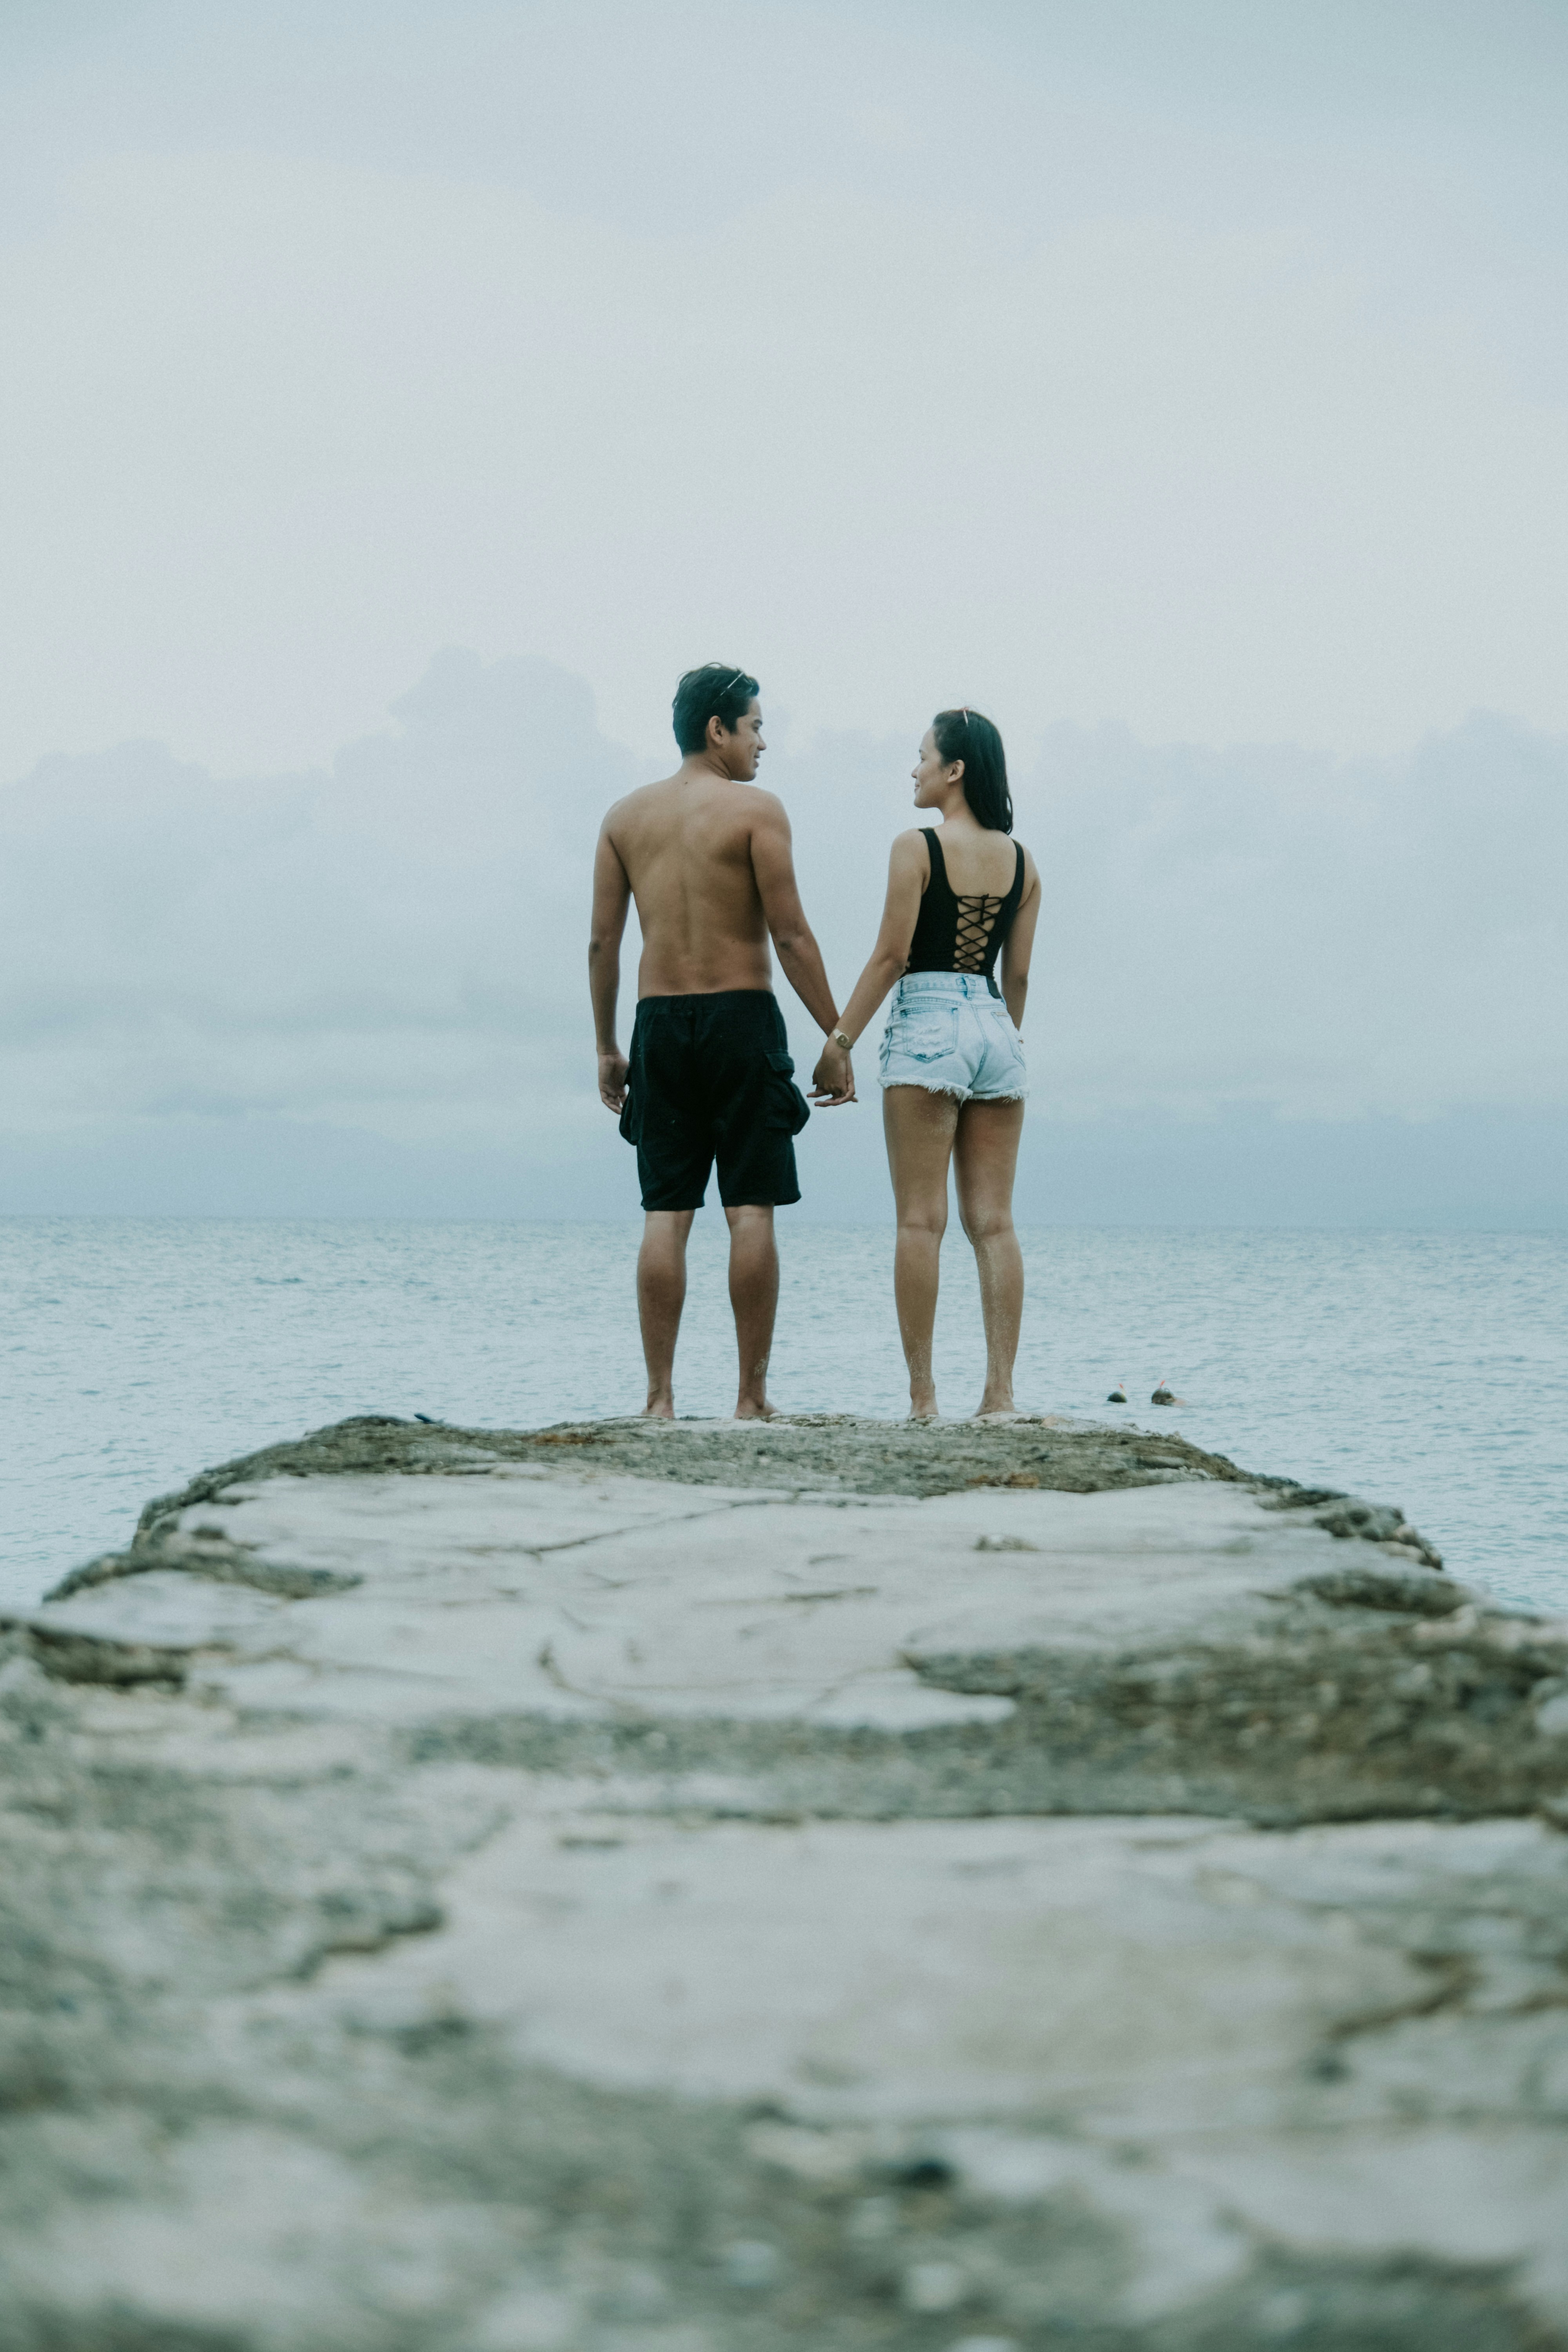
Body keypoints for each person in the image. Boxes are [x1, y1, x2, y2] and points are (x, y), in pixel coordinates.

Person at [590, 664, 853, 1421]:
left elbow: (602, 944)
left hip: (660, 1024)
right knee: (751, 1212)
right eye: (756, 727)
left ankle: (659, 1401)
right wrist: (836, 1034)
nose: (763, 744)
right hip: (742, 1019)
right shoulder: (756, 810)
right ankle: (750, 1399)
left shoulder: (623, 817)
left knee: (665, 1215)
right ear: (719, 731)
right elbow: (792, 932)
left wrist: (609, 1045)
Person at [813, 708, 1040, 1420]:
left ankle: (923, 1402)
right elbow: (1022, 977)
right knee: (994, 1224)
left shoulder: (916, 849)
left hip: (928, 1018)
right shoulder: (1025, 863)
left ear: (955, 769)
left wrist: (840, 1041)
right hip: (998, 1026)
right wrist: (994, 1042)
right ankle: (999, 1398)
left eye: (921, 757)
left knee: (921, 1222)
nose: (913, 770)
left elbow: (891, 956)